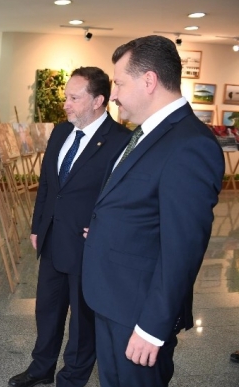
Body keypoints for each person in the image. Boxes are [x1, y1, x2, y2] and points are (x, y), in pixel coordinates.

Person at [82, 35, 224, 387]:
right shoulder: (146, 133)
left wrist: (152, 328)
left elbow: (183, 250)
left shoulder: (190, 144)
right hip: (113, 296)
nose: (113, 94)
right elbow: (142, 209)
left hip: (139, 313)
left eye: (118, 83)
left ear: (149, 81)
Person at [8, 67, 130, 387]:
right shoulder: (62, 131)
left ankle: (72, 377)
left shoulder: (119, 141)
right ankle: (41, 368)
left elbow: (123, 198)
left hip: (88, 245)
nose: (66, 104)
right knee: (47, 310)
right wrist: (37, 226)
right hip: (52, 238)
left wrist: (104, 230)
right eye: (66, 97)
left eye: (74, 98)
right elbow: (48, 183)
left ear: (98, 101)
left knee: (82, 321)